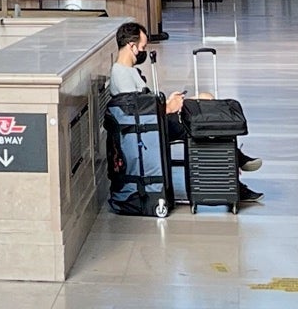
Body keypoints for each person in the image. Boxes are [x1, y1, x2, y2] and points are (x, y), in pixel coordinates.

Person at [110, 22, 260, 202]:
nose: (143, 51)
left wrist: (167, 102)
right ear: (131, 46)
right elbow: (136, 114)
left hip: (158, 121)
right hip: (153, 128)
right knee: (205, 123)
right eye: (142, 47)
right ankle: (235, 172)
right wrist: (167, 108)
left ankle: (235, 164)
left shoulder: (129, 71)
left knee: (206, 98)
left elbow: (142, 105)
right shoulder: (120, 74)